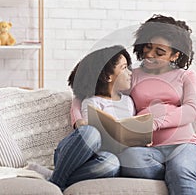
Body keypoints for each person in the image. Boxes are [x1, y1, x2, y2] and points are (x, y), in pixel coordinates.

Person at [71, 15, 196, 195]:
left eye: (159, 52)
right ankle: (171, 172)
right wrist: (78, 120)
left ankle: (177, 170)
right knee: (128, 160)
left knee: (181, 170)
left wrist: (154, 122)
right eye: (148, 47)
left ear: (175, 55)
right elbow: (86, 93)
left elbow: (191, 111)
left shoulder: (186, 76)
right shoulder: (132, 75)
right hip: (146, 150)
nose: (149, 55)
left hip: (184, 144)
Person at [49, 45, 133, 191]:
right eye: (124, 68)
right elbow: (88, 134)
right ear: (108, 76)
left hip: (103, 158)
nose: (130, 73)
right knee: (90, 132)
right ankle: (55, 184)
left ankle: (57, 179)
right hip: (76, 155)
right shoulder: (91, 101)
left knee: (112, 164)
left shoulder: (128, 102)